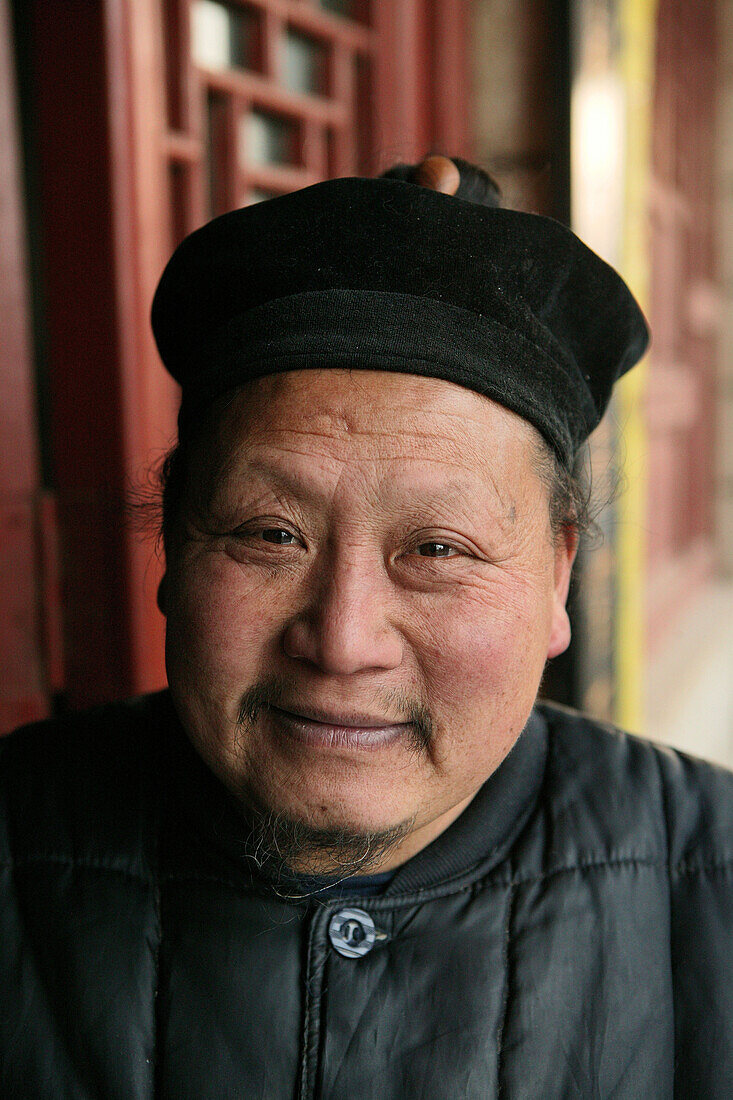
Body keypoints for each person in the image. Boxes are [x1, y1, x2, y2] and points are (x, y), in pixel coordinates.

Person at [2, 154, 732, 1098]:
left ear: (557, 572)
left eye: (436, 549)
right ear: (176, 547)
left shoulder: (712, 875)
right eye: (271, 534)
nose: (343, 641)